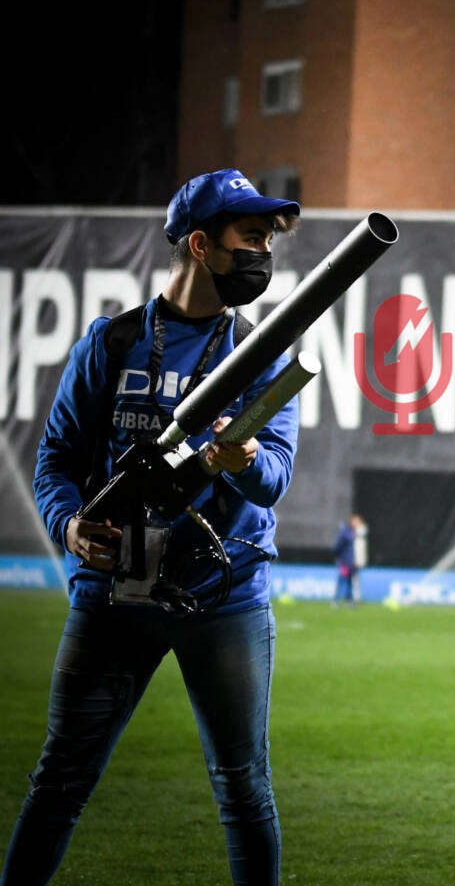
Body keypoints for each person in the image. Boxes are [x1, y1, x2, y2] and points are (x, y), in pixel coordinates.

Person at [2, 170, 301, 886]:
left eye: (267, 240)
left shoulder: (263, 352)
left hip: (224, 597)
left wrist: (246, 456)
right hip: (111, 594)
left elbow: (276, 476)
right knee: (59, 783)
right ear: (200, 244)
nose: (264, 253)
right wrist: (68, 526)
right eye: (250, 238)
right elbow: (57, 459)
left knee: (243, 789)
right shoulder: (109, 344)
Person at [331, 513, 366, 607]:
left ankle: (349, 600)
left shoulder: (355, 533)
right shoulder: (346, 532)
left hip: (352, 562)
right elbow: (337, 546)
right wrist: (340, 558)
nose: (357, 523)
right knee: (342, 580)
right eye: (356, 521)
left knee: (350, 581)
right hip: (345, 562)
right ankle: (336, 600)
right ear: (351, 521)